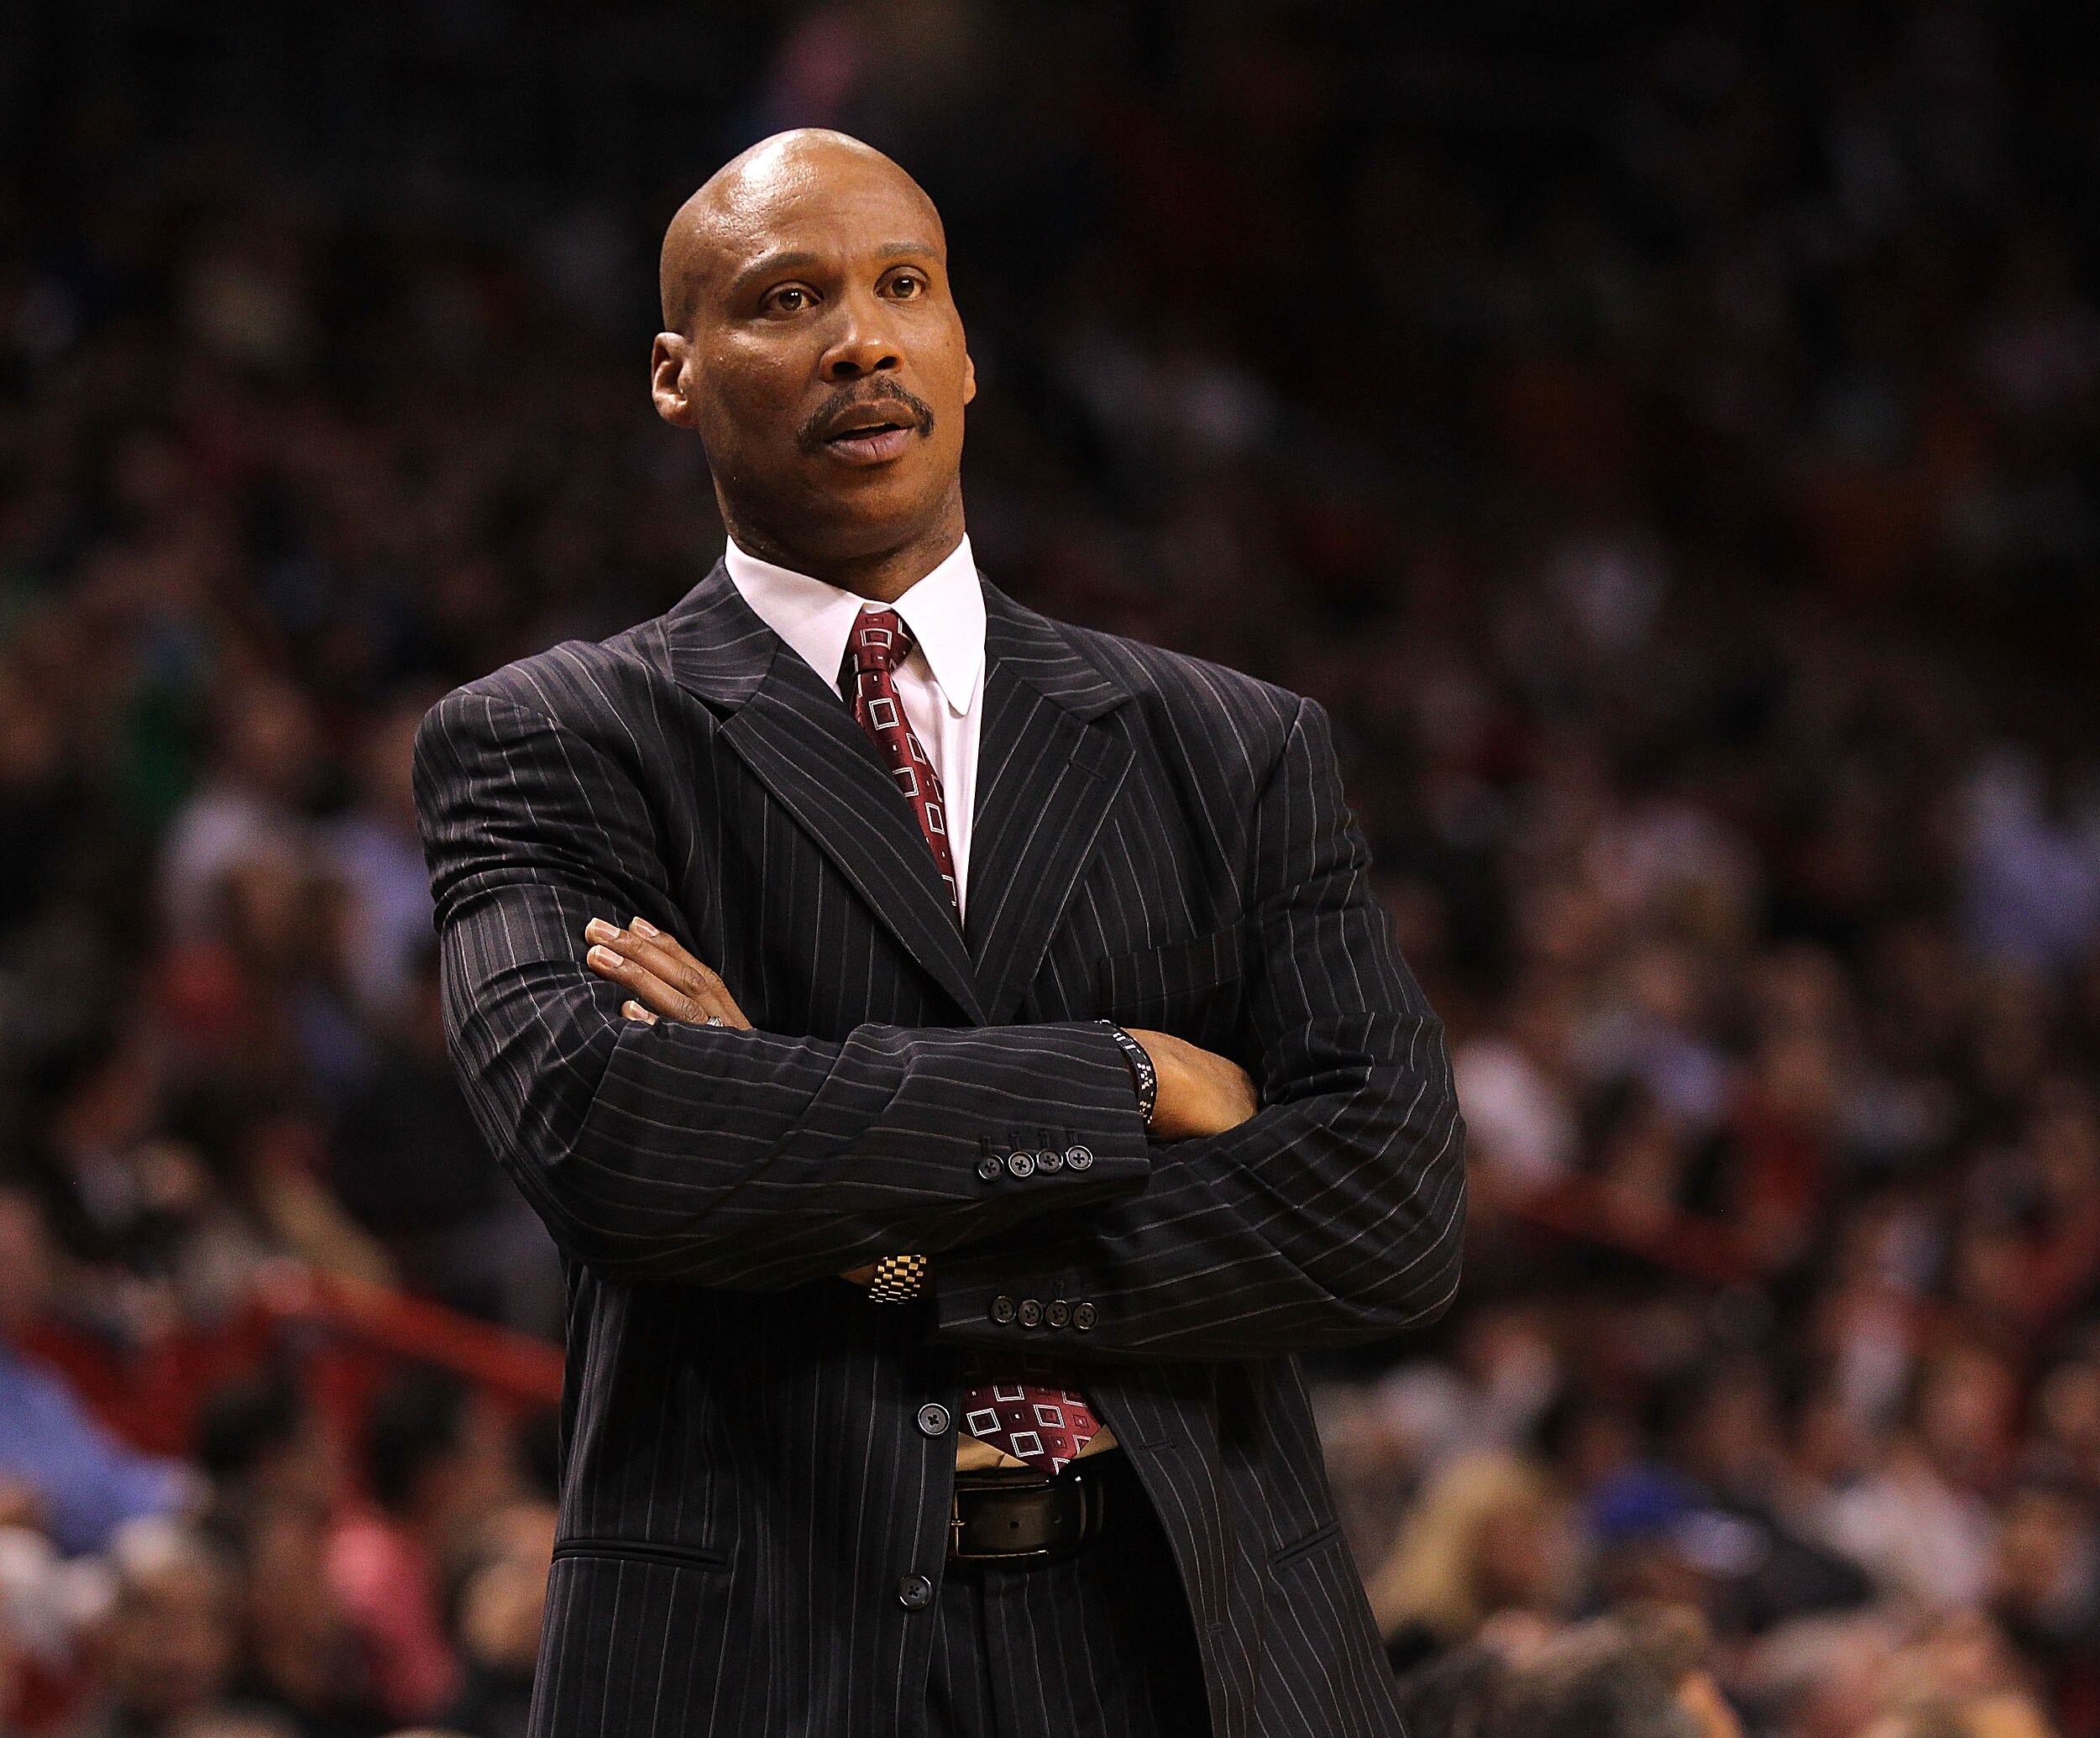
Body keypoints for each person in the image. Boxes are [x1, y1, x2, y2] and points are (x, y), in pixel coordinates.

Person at [412, 128, 1466, 1737]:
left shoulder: (1233, 745)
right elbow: (605, 1130)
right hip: (756, 1657)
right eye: (786, 298)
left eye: (905, 286)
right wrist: (1115, 1084)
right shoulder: (553, 736)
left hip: (1201, 1648)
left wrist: (874, 1238)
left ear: (967, 353)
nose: (861, 336)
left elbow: (1387, 1206)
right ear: (673, 374)